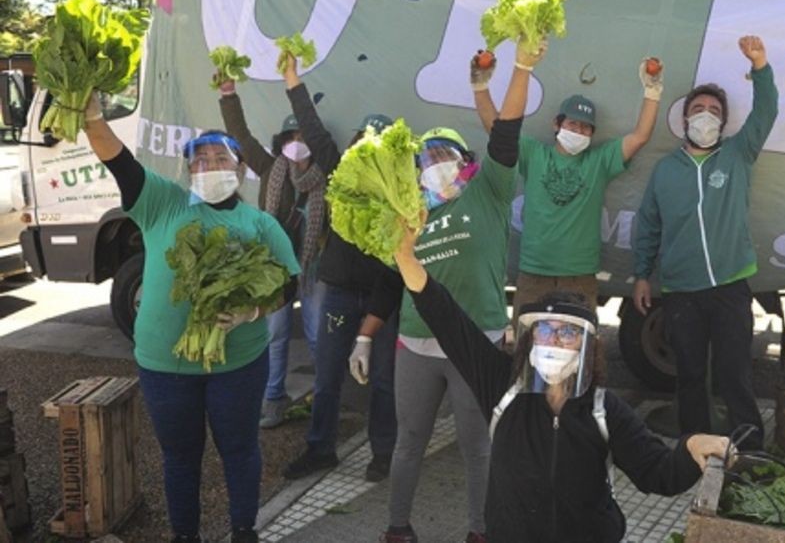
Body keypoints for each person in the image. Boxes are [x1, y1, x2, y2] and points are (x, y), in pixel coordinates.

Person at [391, 207, 731, 543]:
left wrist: (691, 447)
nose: (555, 341)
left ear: (587, 346)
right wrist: (406, 258)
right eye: (545, 331)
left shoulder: (603, 410)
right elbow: (448, 320)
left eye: (568, 334)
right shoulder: (501, 386)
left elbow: (657, 473)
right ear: (529, 339)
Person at [80, 93, 300, 543]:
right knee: (180, 456)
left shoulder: (262, 225)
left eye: (223, 158)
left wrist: (253, 310)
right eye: (201, 160)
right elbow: (117, 159)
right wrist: (92, 119)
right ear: (188, 171)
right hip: (165, 366)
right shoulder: (163, 203)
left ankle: (244, 530)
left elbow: (287, 284)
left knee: (239, 450)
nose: (212, 166)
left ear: (240, 170)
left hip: (237, 365)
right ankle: (186, 535)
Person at [352, 47, 542, 543]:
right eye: (427, 157)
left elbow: (507, 131)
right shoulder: (410, 210)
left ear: (467, 164)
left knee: (478, 447)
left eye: (446, 156)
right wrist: (365, 337)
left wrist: (520, 69)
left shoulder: (491, 192)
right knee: (407, 443)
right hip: (415, 343)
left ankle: (481, 531)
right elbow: (393, 277)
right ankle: (397, 528)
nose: (436, 165)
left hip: (476, 342)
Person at [632, 35, 776, 450]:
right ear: (684, 121)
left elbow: (767, 111)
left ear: (725, 122)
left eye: (714, 111)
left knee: (734, 373)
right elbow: (649, 225)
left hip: (731, 285)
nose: (706, 116)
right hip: (681, 290)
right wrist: (642, 276)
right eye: (698, 110)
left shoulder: (737, 154)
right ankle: (695, 447)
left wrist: (761, 67)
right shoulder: (665, 171)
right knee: (691, 374)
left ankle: (748, 450)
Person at [279, 51, 400, 483]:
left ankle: (384, 452)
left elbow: (399, 263)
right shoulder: (338, 174)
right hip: (338, 291)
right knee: (328, 375)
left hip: (384, 299)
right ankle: (320, 449)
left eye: (381, 148)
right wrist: (293, 79)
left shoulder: (401, 195)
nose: (370, 155)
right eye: (364, 144)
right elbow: (311, 128)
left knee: (384, 380)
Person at [472, 55, 662, 310]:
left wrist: (653, 89)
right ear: (557, 124)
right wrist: (480, 86)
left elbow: (640, 137)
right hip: (532, 274)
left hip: (580, 278)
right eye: (573, 124)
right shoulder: (534, 153)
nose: (579, 132)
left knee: (578, 349)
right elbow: (496, 130)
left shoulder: (600, 161)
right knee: (525, 347)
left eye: (586, 128)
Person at [217, 78, 326, 428]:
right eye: (291, 139)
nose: (297, 144)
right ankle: (273, 399)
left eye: (302, 138)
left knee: (316, 335)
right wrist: (228, 95)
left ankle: (324, 403)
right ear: (282, 143)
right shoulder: (270, 169)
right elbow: (242, 137)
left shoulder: (327, 176)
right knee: (275, 334)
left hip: (312, 268)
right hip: (275, 268)